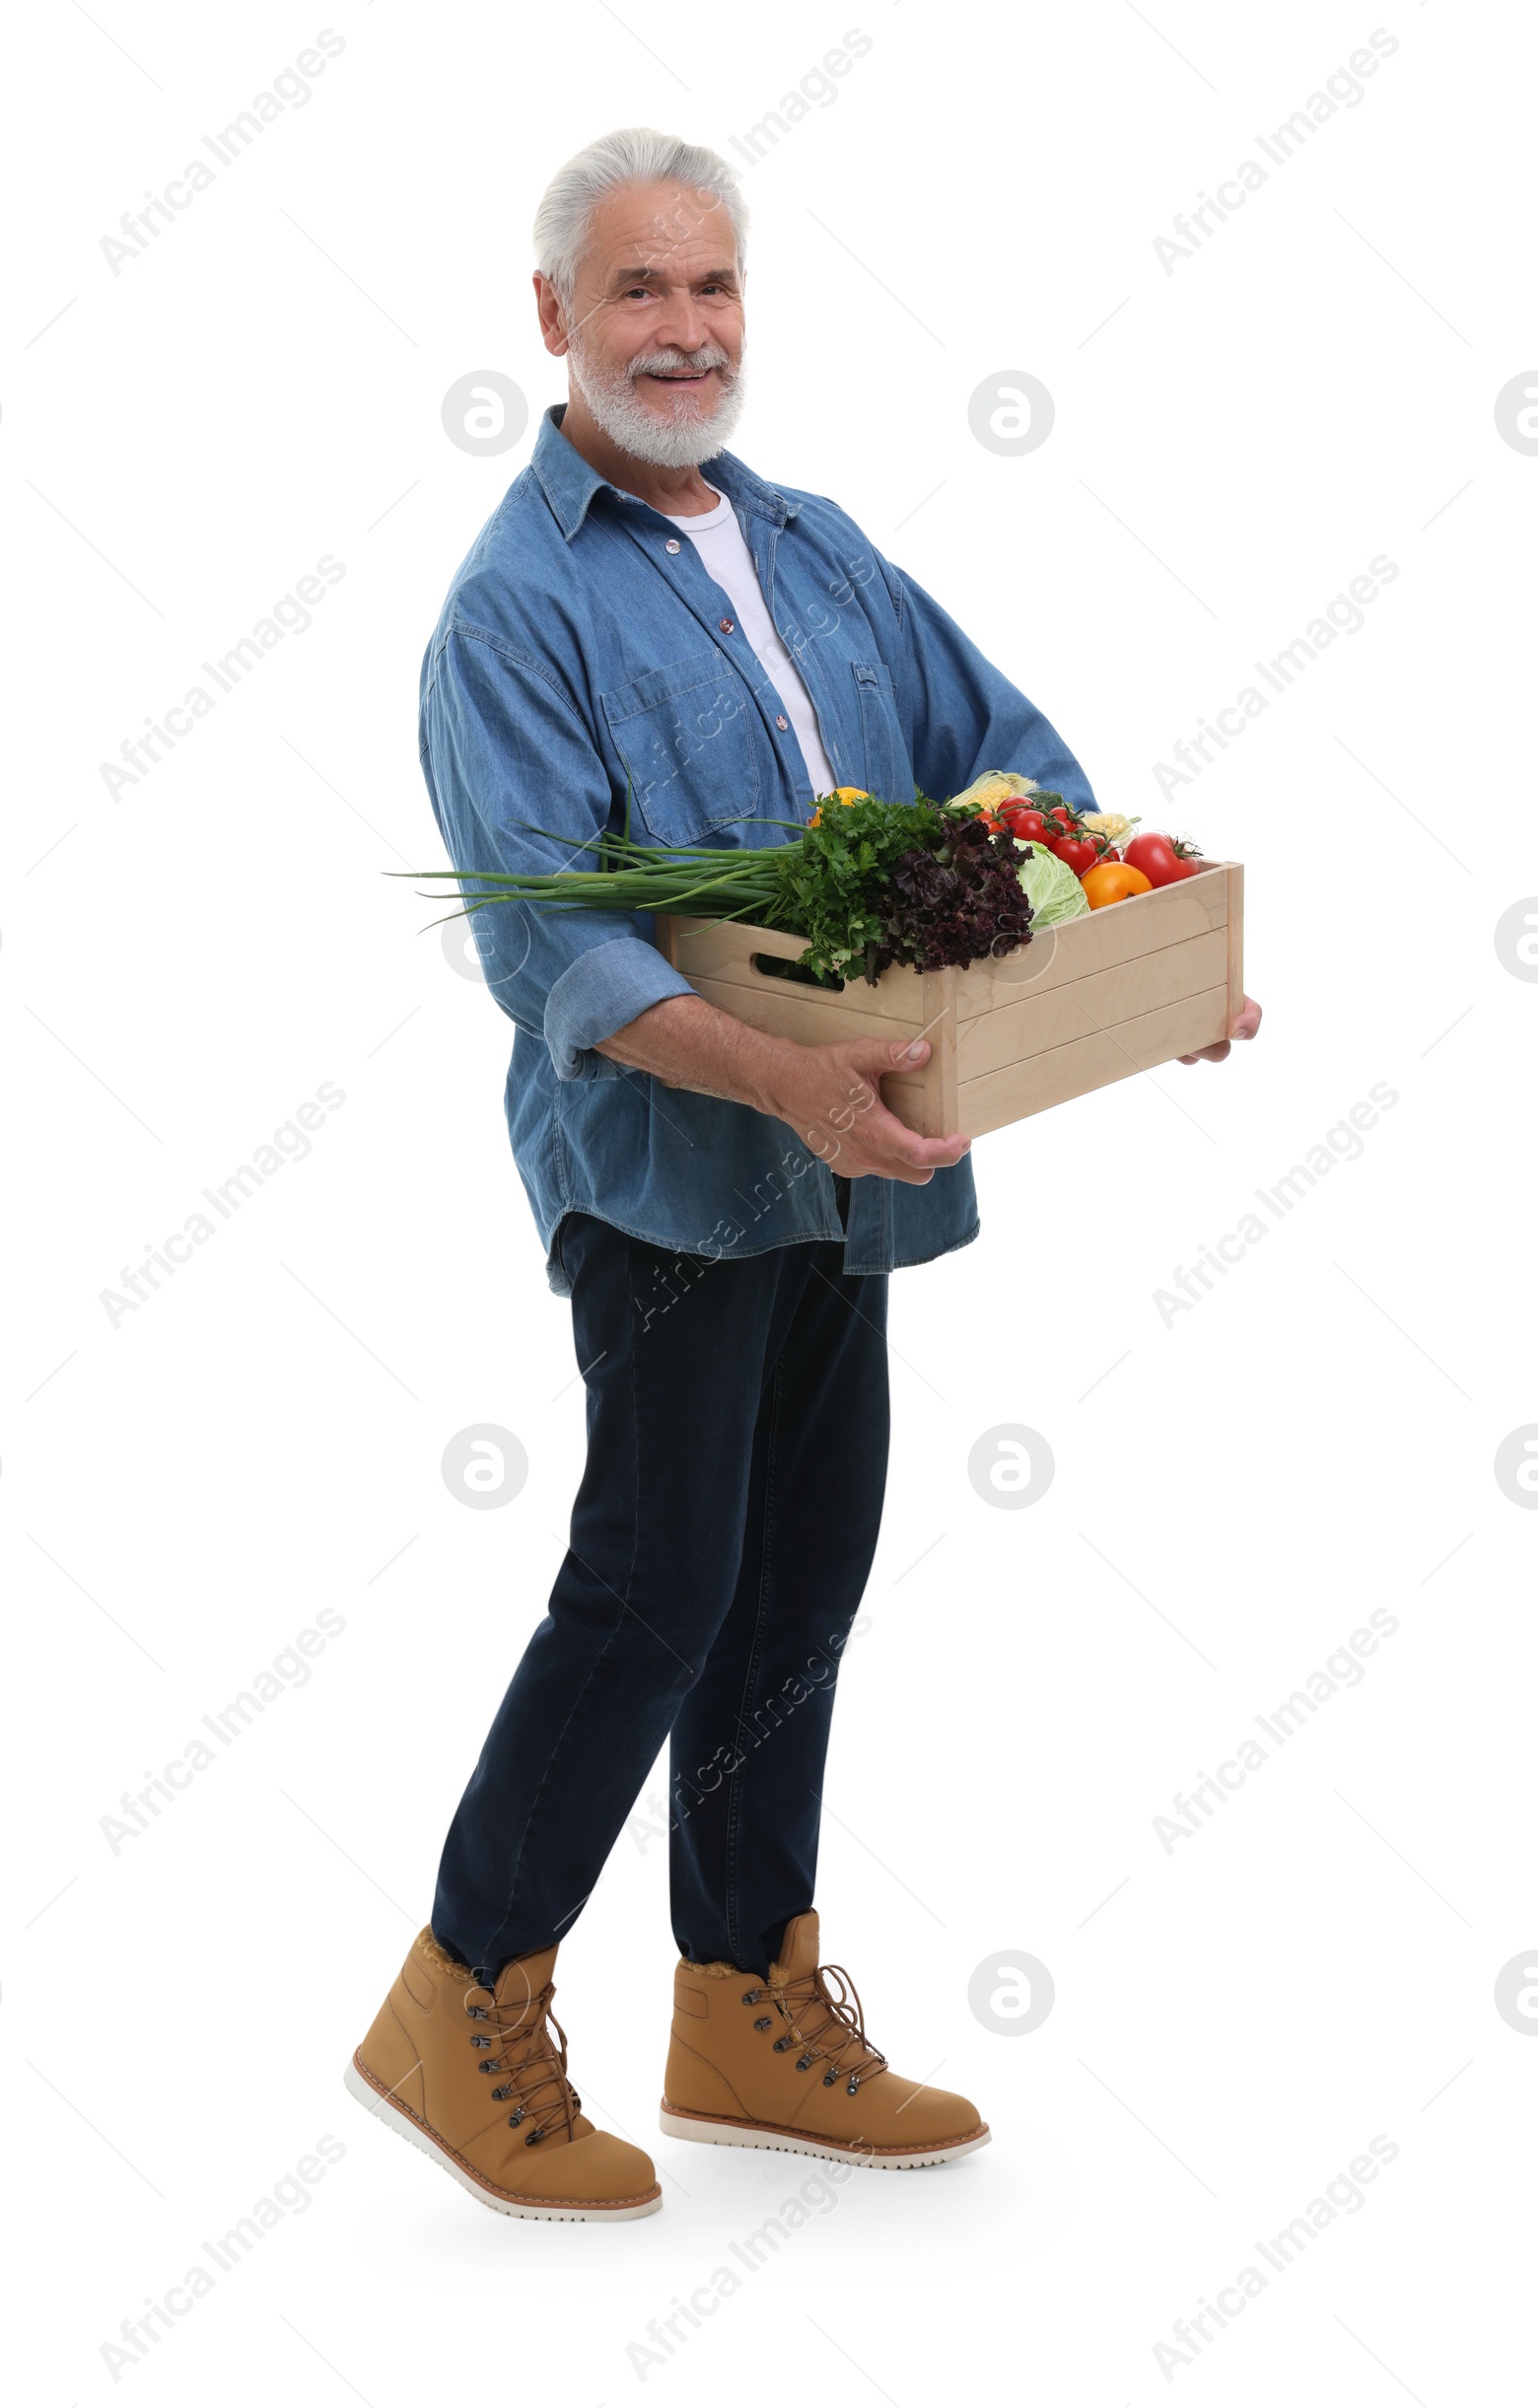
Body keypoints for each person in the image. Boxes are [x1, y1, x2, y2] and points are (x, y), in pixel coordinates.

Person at [346, 127, 1262, 2223]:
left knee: (799, 1573)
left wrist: (1138, 962)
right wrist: (780, 1078)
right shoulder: (511, 606)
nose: (683, 330)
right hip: (671, 1175)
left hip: (843, 1164)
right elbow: (548, 948)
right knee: (653, 1581)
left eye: (714, 288)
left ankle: (739, 2000)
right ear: (553, 320)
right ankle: (462, 1994)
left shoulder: (824, 546)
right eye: (641, 292)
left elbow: (1007, 760)